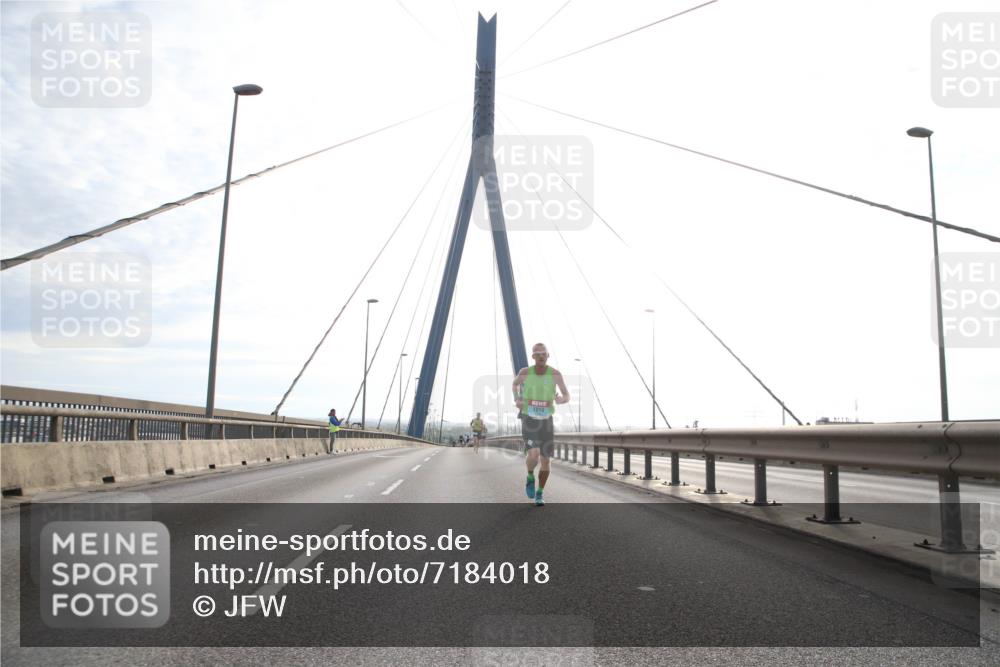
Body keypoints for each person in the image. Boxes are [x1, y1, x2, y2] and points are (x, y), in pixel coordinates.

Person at [513, 342, 570, 506]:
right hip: (528, 418)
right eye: (537, 354)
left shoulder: (555, 374)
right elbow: (515, 384)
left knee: (546, 460)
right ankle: (530, 475)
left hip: (546, 420)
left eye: (543, 354)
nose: (540, 356)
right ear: (533, 357)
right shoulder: (524, 372)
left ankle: (540, 493)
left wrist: (562, 399)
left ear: (547, 356)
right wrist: (517, 398)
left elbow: (566, 395)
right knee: (534, 454)